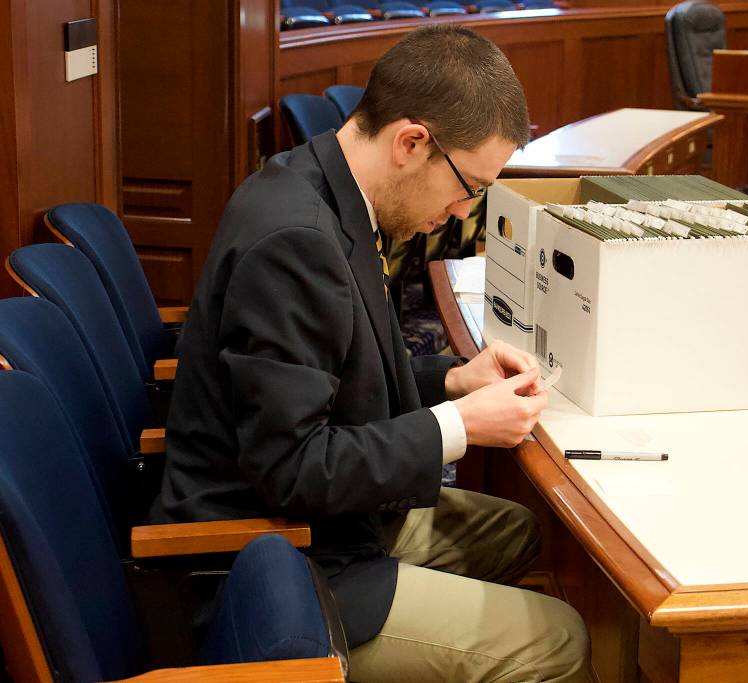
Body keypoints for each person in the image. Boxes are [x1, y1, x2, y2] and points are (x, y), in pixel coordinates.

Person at [152, 24, 589, 682]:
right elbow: (292, 467)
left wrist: (452, 378)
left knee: (525, 531)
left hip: (323, 520)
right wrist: (461, 426)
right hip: (273, 557)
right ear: (413, 141)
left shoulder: (324, 187)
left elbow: (330, 374)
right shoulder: (295, 240)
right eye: (468, 186)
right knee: (558, 638)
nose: (458, 211)